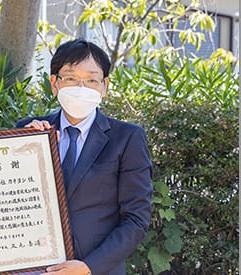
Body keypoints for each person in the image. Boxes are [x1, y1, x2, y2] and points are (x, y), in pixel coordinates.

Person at [16, 39, 153, 275]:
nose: (81, 87)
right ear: (54, 83)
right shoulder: (30, 130)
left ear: (104, 86)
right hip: (34, 268)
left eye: (91, 80)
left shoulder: (127, 138)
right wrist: (26, 147)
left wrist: (89, 266)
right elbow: (10, 199)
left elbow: (136, 219)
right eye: (70, 78)